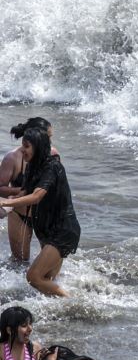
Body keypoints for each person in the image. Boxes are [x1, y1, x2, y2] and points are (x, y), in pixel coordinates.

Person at [9, 127, 79, 296]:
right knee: (47, 281)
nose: (22, 150)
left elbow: (36, 196)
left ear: (38, 147)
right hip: (47, 230)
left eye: (26, 146)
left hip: (62, 231)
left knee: (33, 277)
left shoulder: (53, 167)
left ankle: (74, 302)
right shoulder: (33, 166)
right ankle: (66, 312)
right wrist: (7, 206)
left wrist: (4, 201)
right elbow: (23, 194)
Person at [2, 116, 53, 262]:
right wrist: (20, 191)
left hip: (45, 216)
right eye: (48, 138)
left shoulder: (53, 156)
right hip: (20, 215)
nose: (50, 143)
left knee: (48, 266)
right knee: (19, 262)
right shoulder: (12, 158)